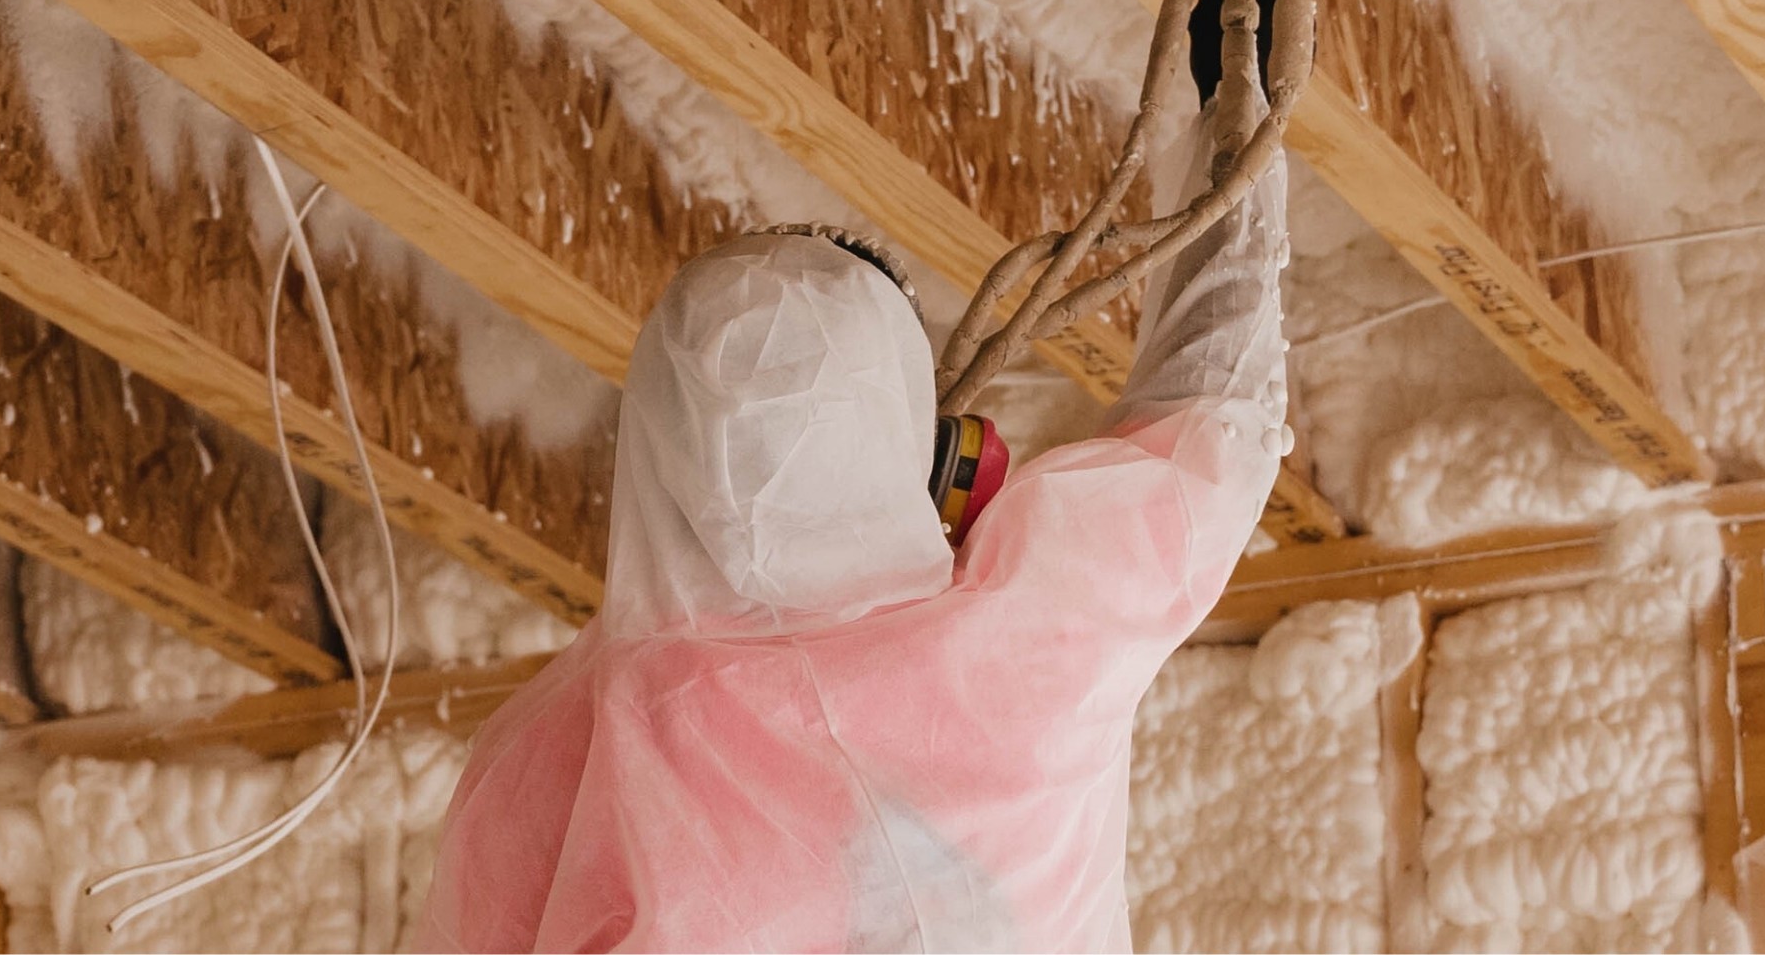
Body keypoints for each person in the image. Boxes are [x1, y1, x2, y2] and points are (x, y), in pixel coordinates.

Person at [412, 114, 1291, 951]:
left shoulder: (540, 761)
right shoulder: (1034, 648)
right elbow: (1216, 414)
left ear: (655, 443)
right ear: (915, 444)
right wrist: (1232, 88)